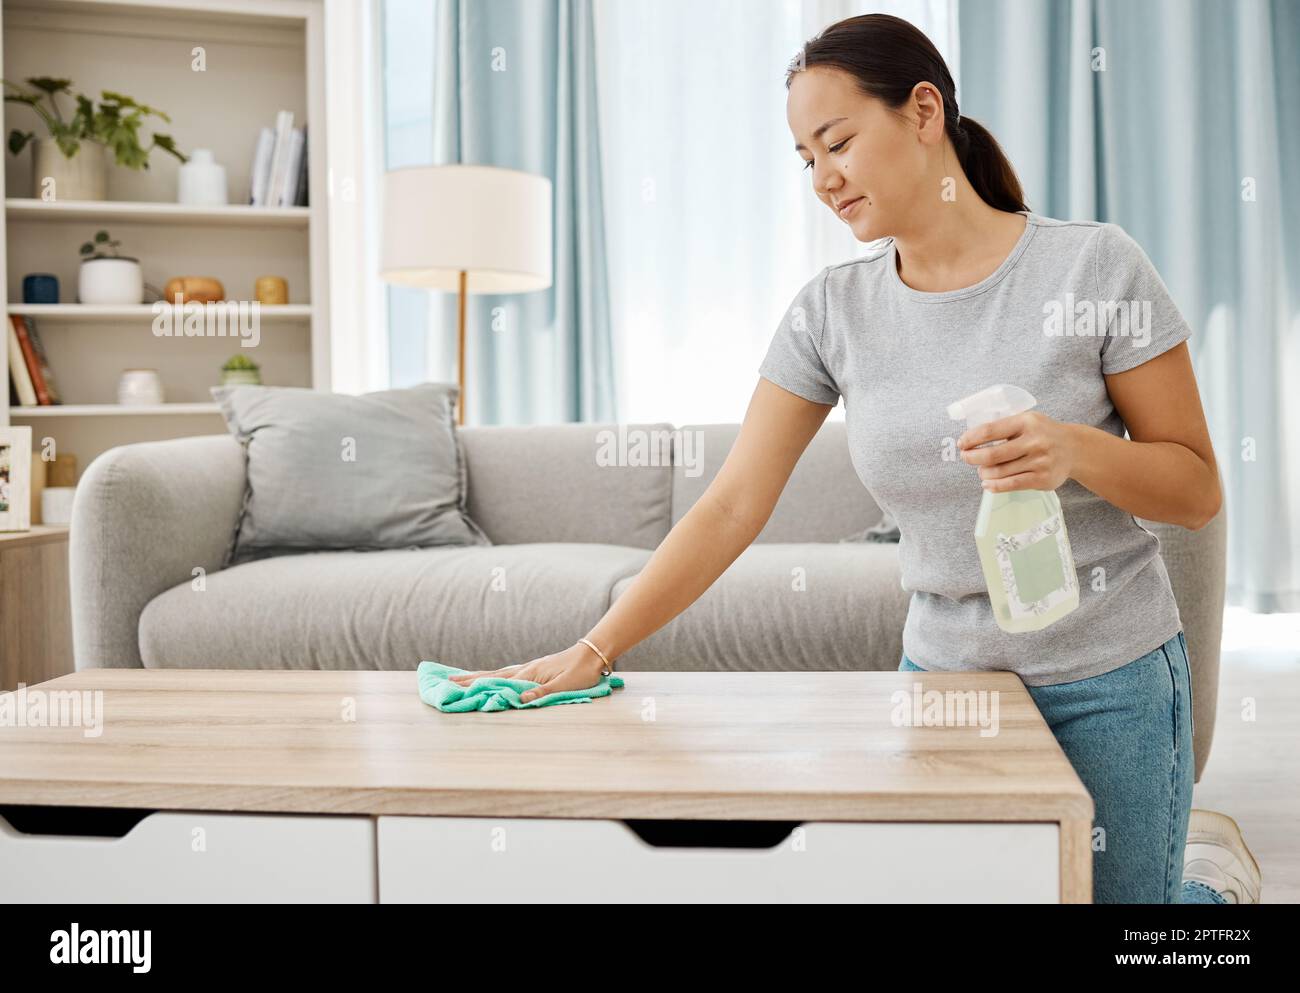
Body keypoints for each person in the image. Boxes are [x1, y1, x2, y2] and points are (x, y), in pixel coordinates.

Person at [450, 12, 1261, 905]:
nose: (824, 179)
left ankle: (1207, 902)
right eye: (806, 159)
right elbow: (732, 504)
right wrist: (597, 647)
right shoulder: (831, 313)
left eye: (836, 142)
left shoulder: (1094, 268)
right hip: (946, 683)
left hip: (1106, 680)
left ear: (923, 112)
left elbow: (1194, 488)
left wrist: (1073, 450)